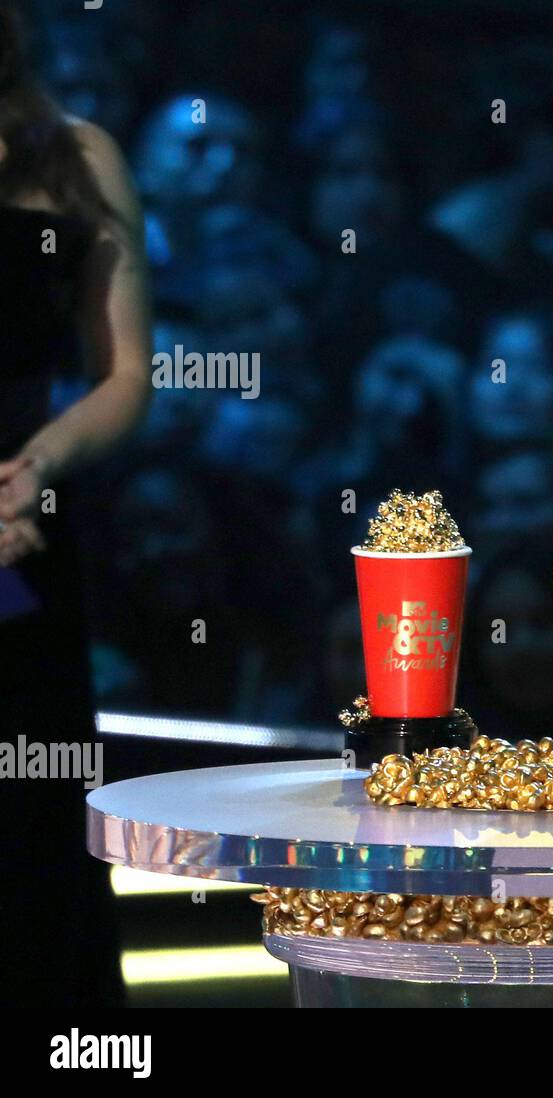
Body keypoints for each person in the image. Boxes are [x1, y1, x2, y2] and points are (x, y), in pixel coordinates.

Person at [0, 4, 152, 1005]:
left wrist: (33, 467)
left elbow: (124, 373)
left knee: (32, 852)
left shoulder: (72, 157)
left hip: (18, 538)